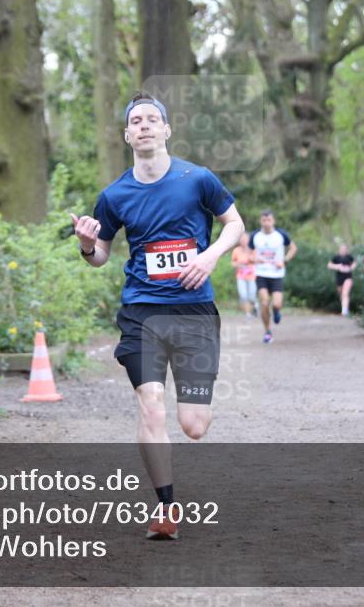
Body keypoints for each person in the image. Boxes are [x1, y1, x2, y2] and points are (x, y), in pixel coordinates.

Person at [71, 92, 244, 540]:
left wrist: (209, 257)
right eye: (136, 121)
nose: (144, 125)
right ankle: (166, 507)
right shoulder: (114, 195)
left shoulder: (197, 179)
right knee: (150, 403)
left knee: (194, 426)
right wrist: (87, 244)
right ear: (127, 135)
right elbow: (100, 256)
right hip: (142, 313)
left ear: (166, 130)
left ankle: (184, 438)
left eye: (152, 119)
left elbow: (235, 224)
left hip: (194, 312)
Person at [249, 210, 297, 343]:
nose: (266, 223)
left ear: (273, 221)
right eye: (264, 220)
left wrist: (284, 260)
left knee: (277, 304)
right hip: (261, 274)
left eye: (269, 220)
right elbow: (248, 253)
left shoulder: (281, 235)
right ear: (260, 221)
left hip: (276, 275)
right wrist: (254, 259)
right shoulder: (255, 236)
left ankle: (276, 311)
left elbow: (293, 248)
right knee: (264, 302)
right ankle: (267, 332)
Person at [231, 232, 258, 318]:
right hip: (240, 276)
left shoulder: (253, 249)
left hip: (252, 276)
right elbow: (233, 263)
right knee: (243, 295)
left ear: (249, 240)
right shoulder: (236, 250)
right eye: (241, 239)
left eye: (245, 239)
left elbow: (257, 260)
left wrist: (250, 258)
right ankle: (248, 314)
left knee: (252, 295)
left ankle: (255, 305)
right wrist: (238, 264)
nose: (243, 241)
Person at [328, 243, 356, 316]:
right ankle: (345, 308)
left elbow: (354, 264)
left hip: (348, 277)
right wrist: (337, 266)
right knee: (341, 294)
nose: (343, 250)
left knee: (345, 293)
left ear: (346, 250)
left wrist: (350, 268)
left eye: (344, 249)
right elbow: (329, 265)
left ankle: (344, 311)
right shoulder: (336, 257)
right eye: (342, 249)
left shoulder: (349, 257)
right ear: (339, 250)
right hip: (339, 278)